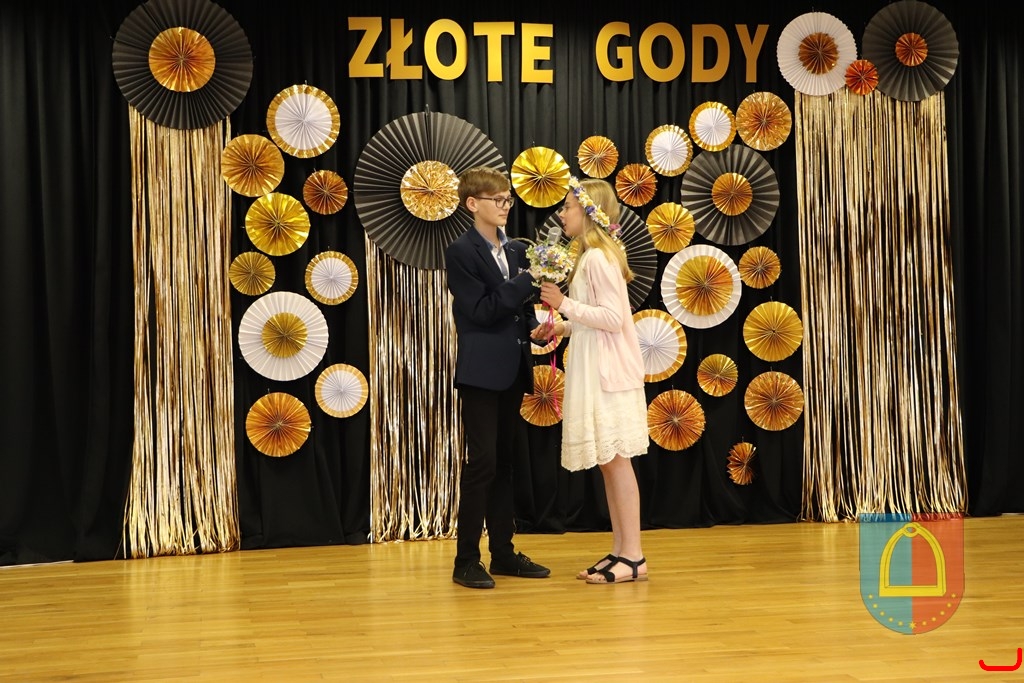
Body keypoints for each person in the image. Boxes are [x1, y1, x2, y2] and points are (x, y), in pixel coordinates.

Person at [532, 176, 650, 584]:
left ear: (587, 212)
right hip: (596, 368)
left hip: (607, 374)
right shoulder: (589, 257)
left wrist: (564, 303)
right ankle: (621, 550)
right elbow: (594, 317)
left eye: (567, 207)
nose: (561, 214)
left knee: (616, 463)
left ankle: (633, 556)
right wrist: (561, 326)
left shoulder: (598, 257)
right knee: (608, 464)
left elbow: (614, 319)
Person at [444, 166, 551, 589]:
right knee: (483, 463)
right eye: (498, 200)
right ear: (473, 204)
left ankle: (503, 553)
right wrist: (525, 281)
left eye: (508, 199)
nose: (506, 206)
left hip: (513, 368)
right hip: (481, 372)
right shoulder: (460, 251)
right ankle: (466, 560)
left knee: (505, 463)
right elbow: (482, 311)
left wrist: (537, 328)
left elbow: (520, 310)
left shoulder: (517, 250)